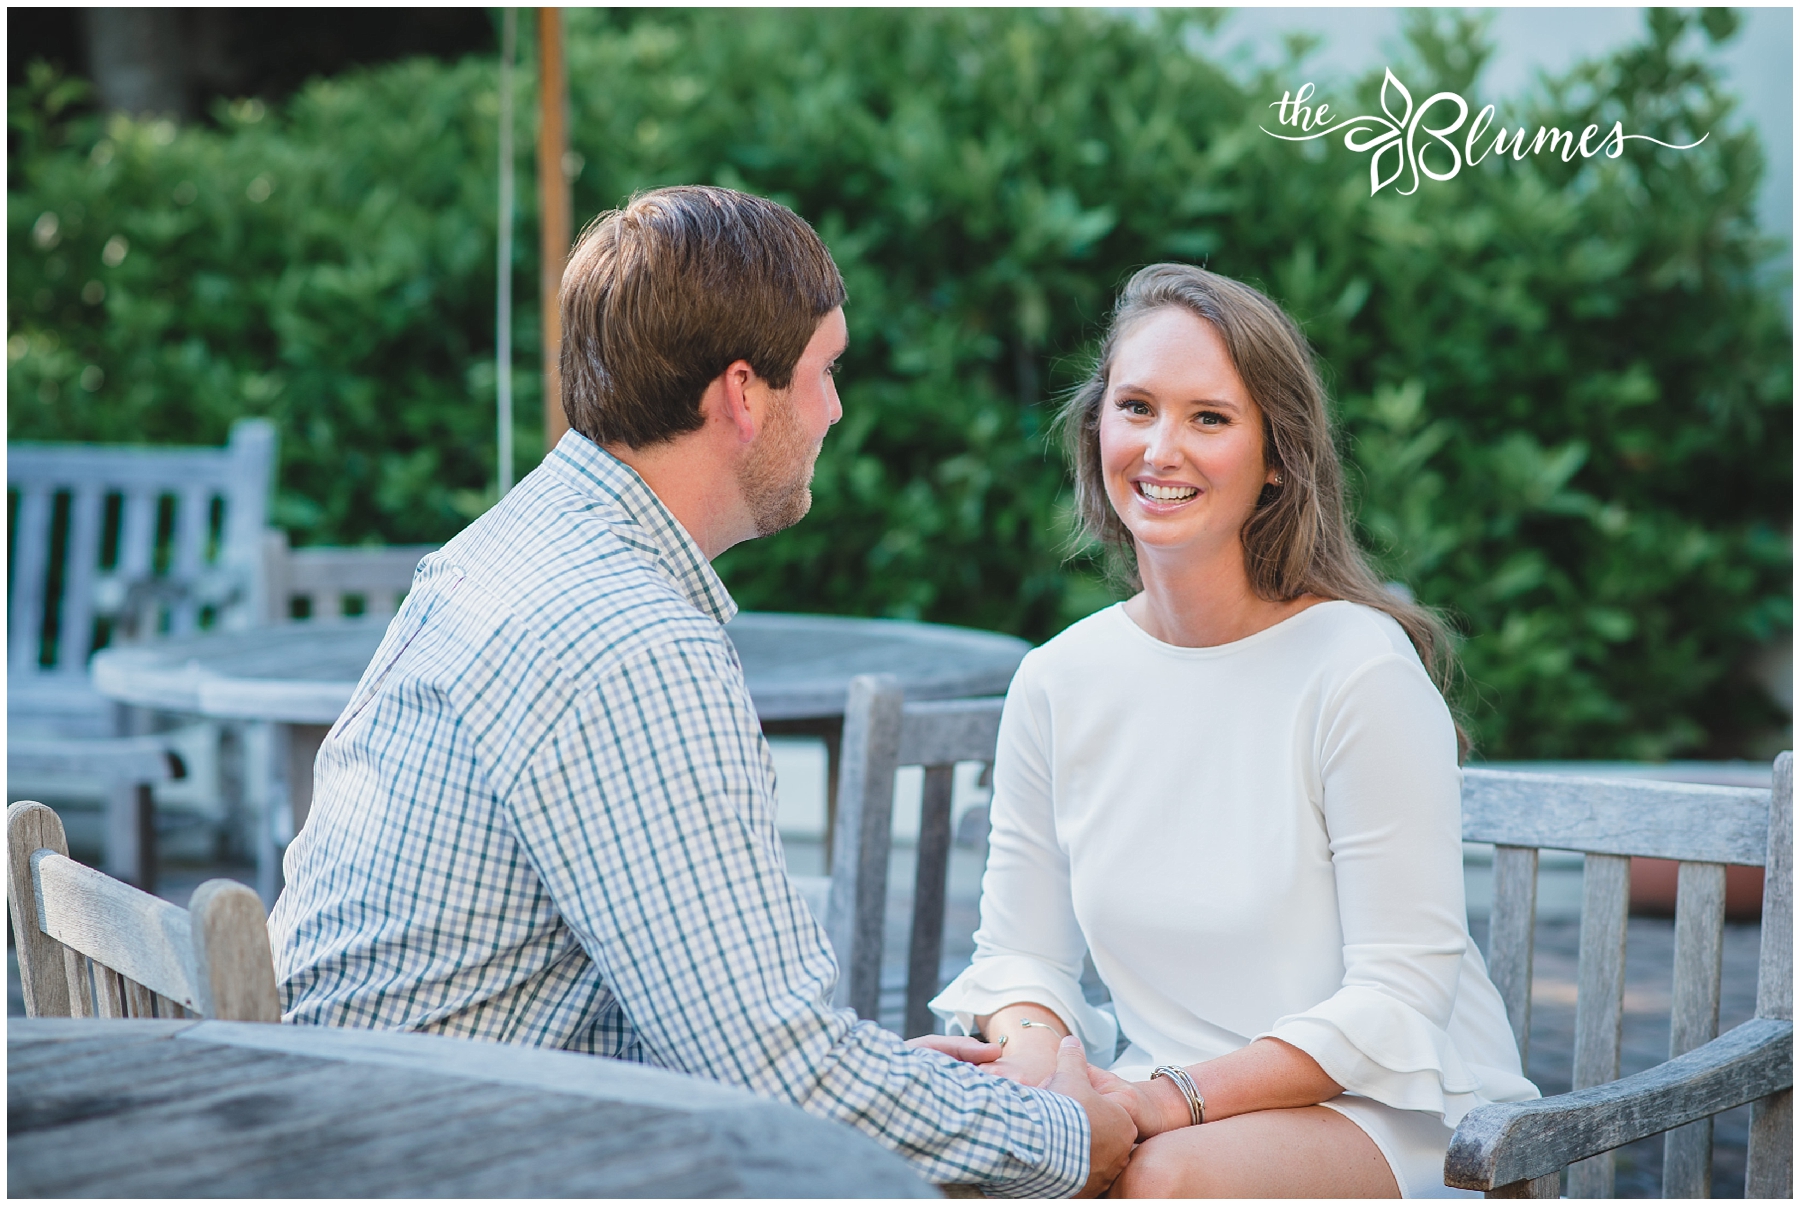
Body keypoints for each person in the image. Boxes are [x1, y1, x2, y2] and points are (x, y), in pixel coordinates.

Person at [268, 185, 1133, 1196]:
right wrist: (1061, 1137)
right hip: (436, 1166)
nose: (836, 411)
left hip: (360, 1124)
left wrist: (898, 1085)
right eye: (824, 373)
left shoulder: (515, 549)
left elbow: (683, 1029)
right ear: (741, 394)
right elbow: (778, 1075)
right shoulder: (628, 640)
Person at [927, 264, 1539, 1197]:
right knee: (939, 1141)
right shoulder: (1057, 679)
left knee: (1157, 1182)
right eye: (1136, 407)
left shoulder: (1358, 669)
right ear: (1097, 427)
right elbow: (1019, 956)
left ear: (1278, 454)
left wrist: (1154, 1101)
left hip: (1396, 1114)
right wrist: (1034, 1068)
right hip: (1161, 1106)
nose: (1161, 449)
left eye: (1209, 418)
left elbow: (1396, 1002)